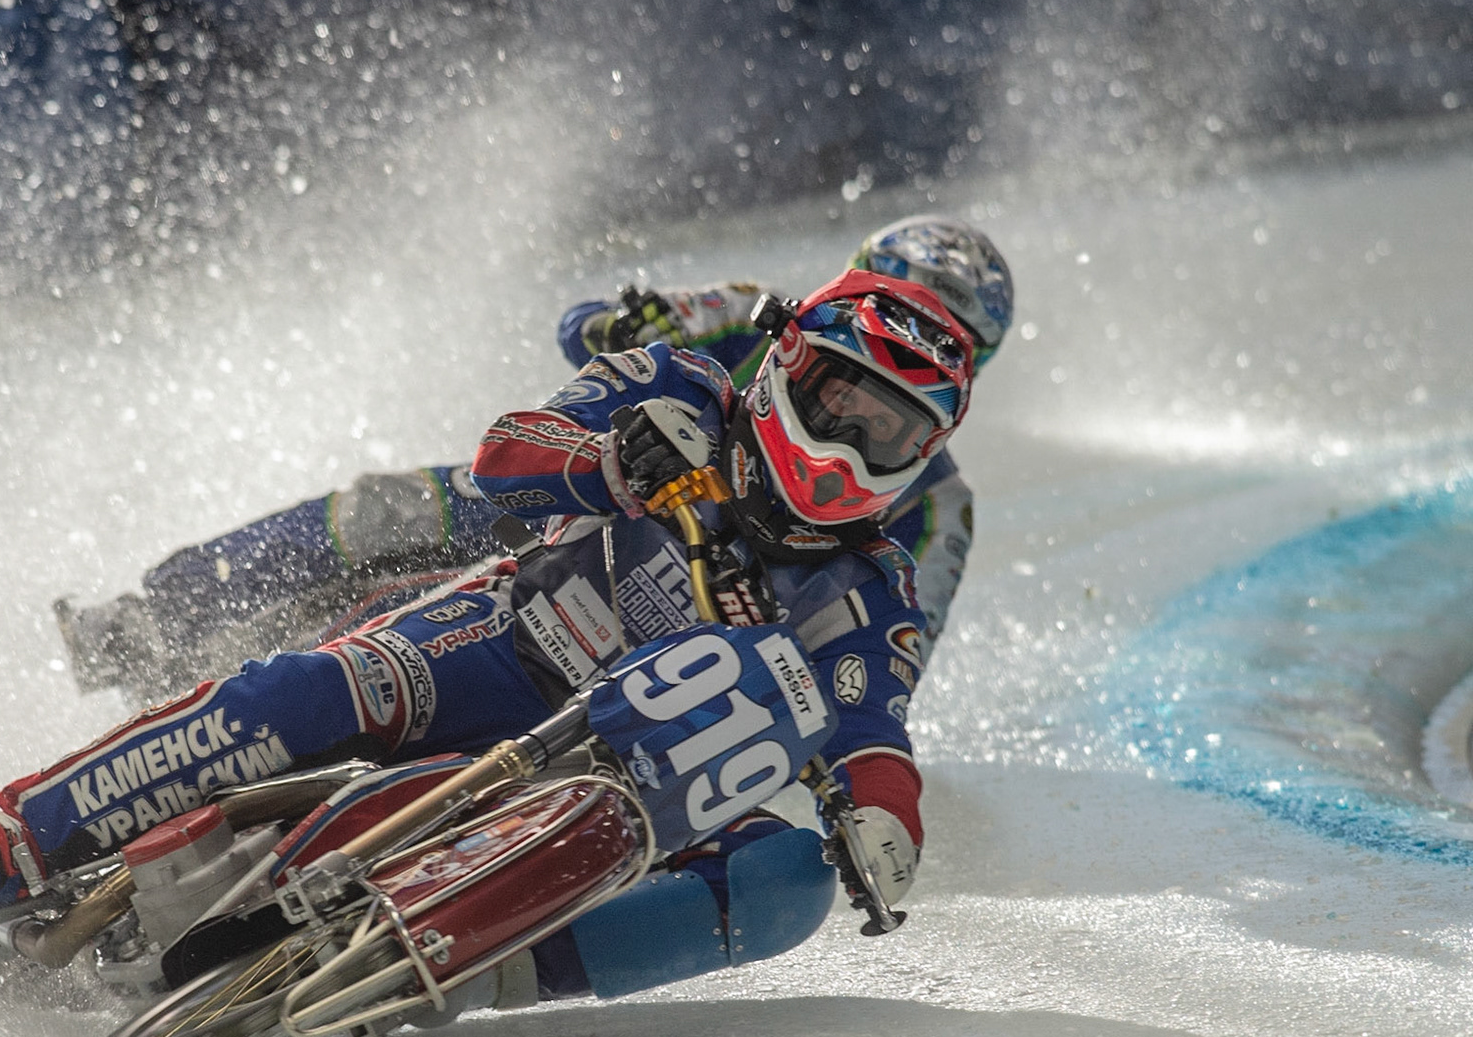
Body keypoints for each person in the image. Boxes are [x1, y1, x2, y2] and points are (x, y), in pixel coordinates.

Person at [0, 266, 975, 1009]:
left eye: (890, 433)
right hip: (504, 636)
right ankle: (7, 841)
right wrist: (611, 466)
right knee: (314, 686)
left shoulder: (875, 577)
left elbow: (871, 720)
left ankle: (476, 974)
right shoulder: (690, 377)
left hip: (631, 770)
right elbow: (507, 450)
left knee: (784, 883)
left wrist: (886, 821)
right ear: (794, 359)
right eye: (842, 404)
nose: (851, 447)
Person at [55, 216, 1014, 705]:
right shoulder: (761, 310)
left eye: (940, 341)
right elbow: (587, 329)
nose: (897, 347)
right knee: (399, 506)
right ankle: (163, 611)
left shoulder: (944, 510)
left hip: (729, 620)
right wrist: (618, 322)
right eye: (883, 305)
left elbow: (898, 660)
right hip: (606, 502)